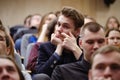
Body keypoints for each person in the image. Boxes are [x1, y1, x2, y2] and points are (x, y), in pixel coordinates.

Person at [35, 6, 84, 77]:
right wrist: (59, 48)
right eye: (58, 24)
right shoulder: (45, 47)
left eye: (65, 26)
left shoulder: (85, 45)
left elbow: (90, 71)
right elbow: (41, 75)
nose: (59, 29)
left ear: (77, 31)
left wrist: (75, 49)